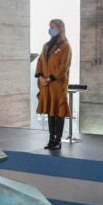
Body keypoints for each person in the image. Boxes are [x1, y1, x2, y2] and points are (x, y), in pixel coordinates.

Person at [34, 19, 72, 150]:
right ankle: (51, 139)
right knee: (50, 110)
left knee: (59, 110)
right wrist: (40, 77)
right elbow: (40, 61)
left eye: (54, 27)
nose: (51, 29)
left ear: (60, 29)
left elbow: (64, 66)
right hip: (45, 85)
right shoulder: (46, 45)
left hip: (57, 84)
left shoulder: (65, 46)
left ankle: (58, 140)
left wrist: (49, 78)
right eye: (50, 27)